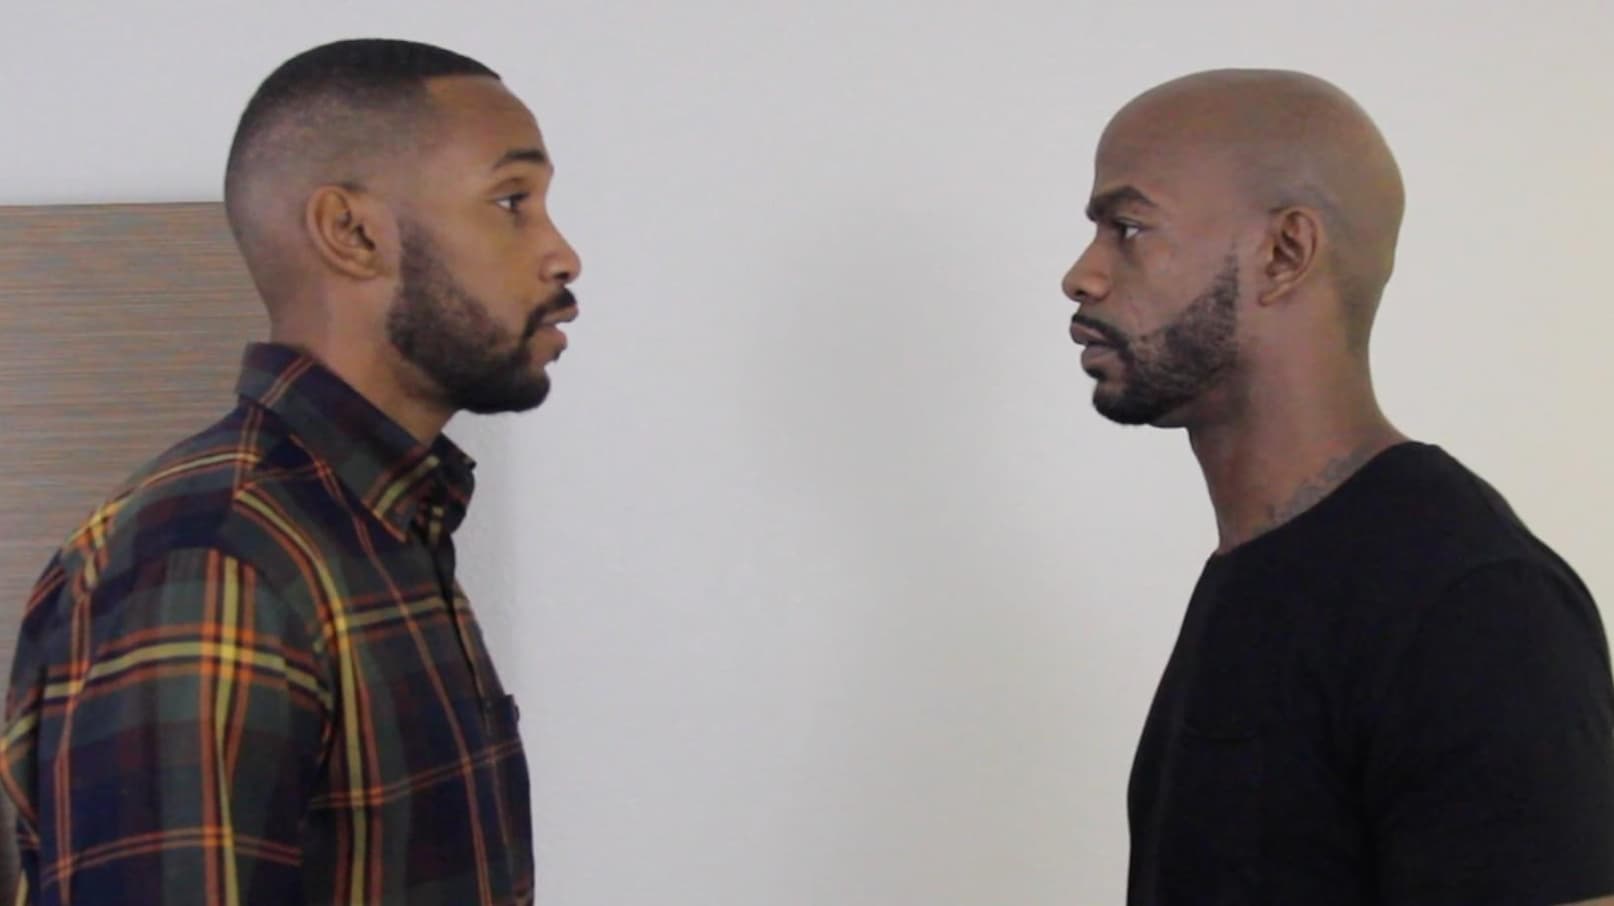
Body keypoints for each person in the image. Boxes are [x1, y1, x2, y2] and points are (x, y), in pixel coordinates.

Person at [1, 37, 580, 905]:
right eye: (511, 201)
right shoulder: (213, 562)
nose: (561, 253)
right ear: (352, 233)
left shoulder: (383, 523)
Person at [1062, 68, 1614, 905]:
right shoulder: (1263, 570)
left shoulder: (1472, 606)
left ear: (1285, 253)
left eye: (1129, 228)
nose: (1083, 275)